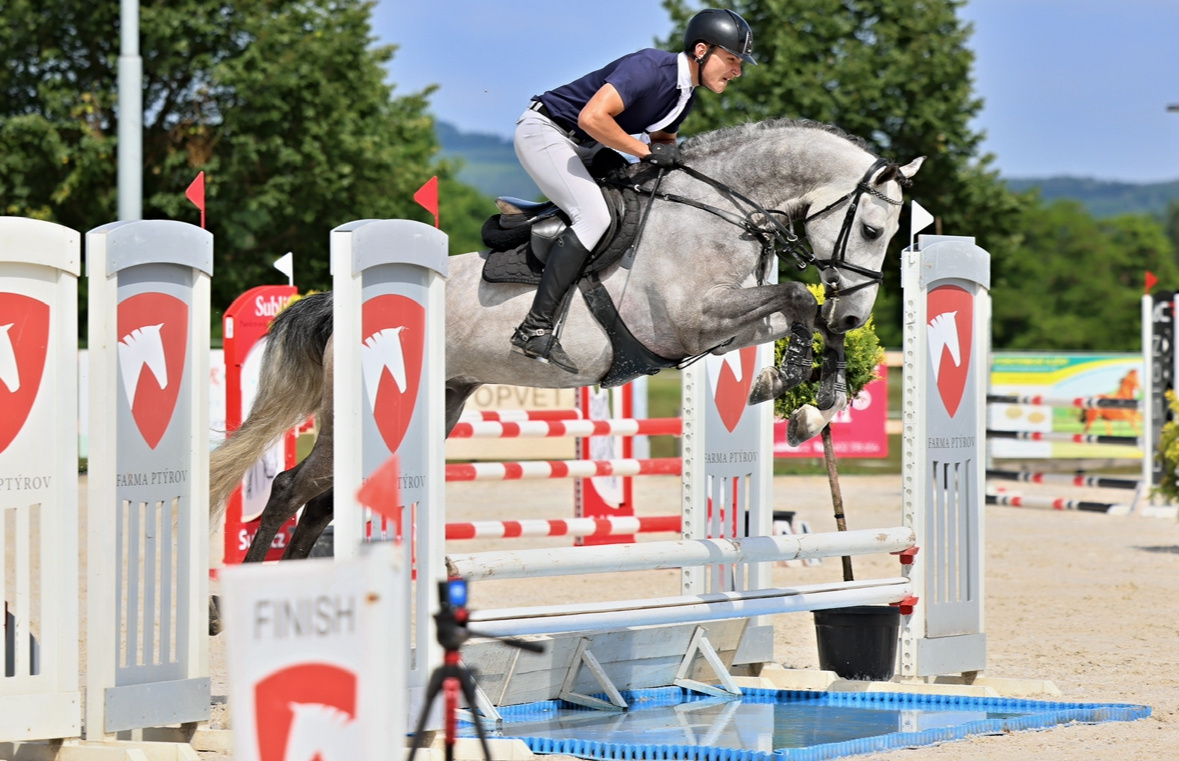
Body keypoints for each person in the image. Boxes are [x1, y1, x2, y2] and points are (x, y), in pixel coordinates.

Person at [510, 8, 757, 373]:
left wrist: (670, 155)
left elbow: (663, 139)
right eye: (732, 59)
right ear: (701, 50)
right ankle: (534, 328)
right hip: (547, 132)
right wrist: (644, 151)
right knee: (594, 216)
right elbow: (592, 118)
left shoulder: (684, 94)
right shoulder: (649, 67)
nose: (737, 71)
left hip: (588, 145)